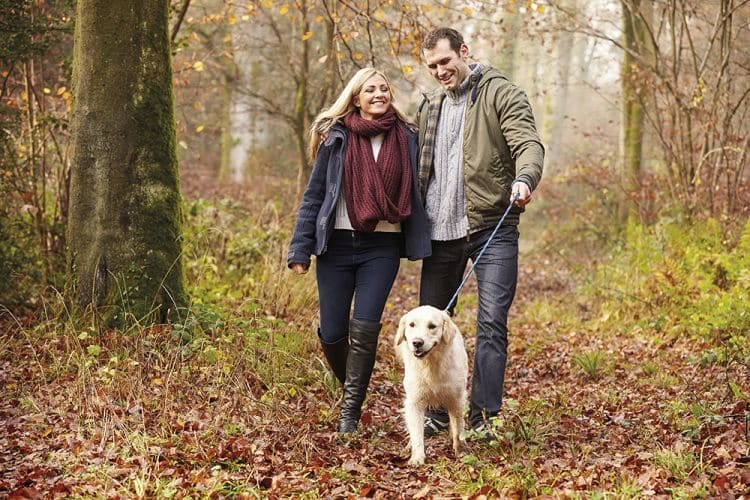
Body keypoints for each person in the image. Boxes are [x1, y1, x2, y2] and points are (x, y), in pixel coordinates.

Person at [415, 27, 545, 436]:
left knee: (491, 322)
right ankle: (437, 413)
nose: (440, 71)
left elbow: (528, 143)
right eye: (432, 65)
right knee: (430, 328)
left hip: (493, 227)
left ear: (463, 52)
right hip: (440, 234)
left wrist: (524, 178)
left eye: (445, 61)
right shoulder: (429, 107)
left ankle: (484, 418)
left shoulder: (501, 94)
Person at [288, 67, 431, 434]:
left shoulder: (408, 137)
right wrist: (300, 249)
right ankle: (352, 383)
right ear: (356, 98)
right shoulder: (336, 138)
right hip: (335, 246)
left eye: (384, 89)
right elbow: (314, 195)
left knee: (364, 328)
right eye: (370, 90)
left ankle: (350, 413)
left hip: (381, 248)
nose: (379, 94)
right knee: (333, 331)